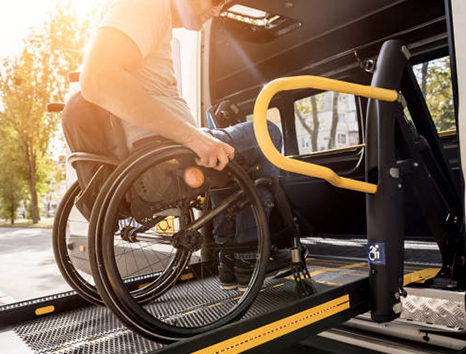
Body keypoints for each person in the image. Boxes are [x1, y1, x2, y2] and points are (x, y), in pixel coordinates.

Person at [62, 0, 289, 291]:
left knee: (228, 154)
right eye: (216, 0)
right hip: (164, 153)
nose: (219, 9)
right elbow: (98, 77)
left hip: (162, 148)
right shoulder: (146, 6)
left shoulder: (150, 17)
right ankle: (248, 256)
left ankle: (230, 261)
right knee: (266, 132)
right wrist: (194, 138)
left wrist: (197, 136)